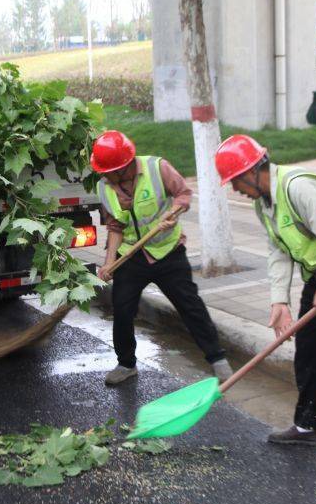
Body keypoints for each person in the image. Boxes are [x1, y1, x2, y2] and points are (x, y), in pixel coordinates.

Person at [215, 134, 316, 473]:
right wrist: (279, 301)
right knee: (308, 351)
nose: (235, 190)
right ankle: (307, 427)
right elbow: (279, 250)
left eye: (235, 182)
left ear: (253, 172)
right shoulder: (265, 203)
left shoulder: (297, 187)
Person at [92, 130, 232, 386]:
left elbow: (184, 194)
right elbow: (115, 226)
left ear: (124, 167)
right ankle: (126, 364)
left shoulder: (157, 168)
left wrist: (174, 213)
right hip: (132, 257)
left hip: (167, 252)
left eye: (108, 171)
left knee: (190, 305)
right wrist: (109, 261)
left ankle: (217, 359)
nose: (104, 175)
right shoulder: (104, 187)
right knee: (122, 308)